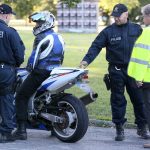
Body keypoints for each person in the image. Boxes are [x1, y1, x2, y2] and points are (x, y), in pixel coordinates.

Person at [79, 3, 149, 141]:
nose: (116, 18)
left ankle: (142, 127)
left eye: (119, 16)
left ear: (126, 14)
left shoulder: (137, 29)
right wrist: (86, 60)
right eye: (114, 16)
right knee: (117, 100)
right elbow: (96, 46)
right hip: (116, 70)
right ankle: (119, 128)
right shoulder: (108, 31)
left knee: (139, 100)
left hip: (133, 71)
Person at [12, 11, 65, 140]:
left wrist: (27, 68)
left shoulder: (41, 38)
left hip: (41, 72)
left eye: (39, 22)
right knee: (53, 98)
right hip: (56, 72)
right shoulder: (59, 37)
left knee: (21, 96)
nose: (36, 25)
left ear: (46, 23)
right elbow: (61, 57)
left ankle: (21, 130)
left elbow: (33, 60)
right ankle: (54, 129)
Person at [0, 4, 25, 143]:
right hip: (5, 71)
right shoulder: (10, 32)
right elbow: (19, 55)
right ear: (7, 15)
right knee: (6, 99)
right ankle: (5, 133)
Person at [127, 4, 150, 148]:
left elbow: (143, 58)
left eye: (144, 16)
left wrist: (139, 77)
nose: (144, 18)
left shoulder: (148, 33)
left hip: (147, 78)